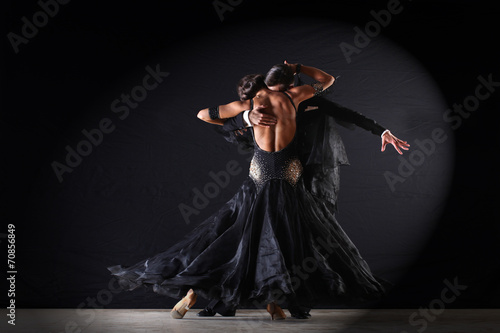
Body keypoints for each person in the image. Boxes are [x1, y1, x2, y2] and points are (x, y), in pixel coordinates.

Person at [107, 64, 386, 321]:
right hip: (288, 180)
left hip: (260, 178)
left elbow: (203, 114)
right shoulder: (295, 97)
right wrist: (298, 67)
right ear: (286, 83)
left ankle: (205, 291)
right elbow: (328, 80)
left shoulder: (247, 105)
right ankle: (272, 301)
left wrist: (245, 118)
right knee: (283, 241)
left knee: (236, 237)